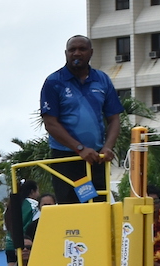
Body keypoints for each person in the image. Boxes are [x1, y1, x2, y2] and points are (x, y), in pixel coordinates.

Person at [38, 36, 122, 205]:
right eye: (72, 50)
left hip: (96, 158)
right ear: (66, 53)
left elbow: (114, 119)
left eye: (82, 49)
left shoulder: (102, 80)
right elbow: (50, 123)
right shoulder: (54, 82)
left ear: (90, 53)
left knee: (99, 206)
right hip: (66, 158)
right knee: (73, 207)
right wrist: (80, 148)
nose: (77, 53)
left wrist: (107, 147)